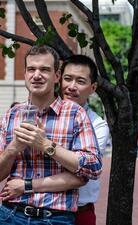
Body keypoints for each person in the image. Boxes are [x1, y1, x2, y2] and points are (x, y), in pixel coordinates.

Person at [0, 45, 102, 225]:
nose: (37, 75)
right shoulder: (11, 115)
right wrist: (12, 149)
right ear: (25, 74)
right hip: (11, 214)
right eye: (31, 69)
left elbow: (93, 168)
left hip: (56, 218)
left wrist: (45, 144)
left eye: (45, 70)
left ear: (56, 76)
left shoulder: (75, 113)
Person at [60, 55, 109, 225]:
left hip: (79, 214)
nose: (72, 87)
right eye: (67, 79)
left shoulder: (98, 125)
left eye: (80, 81)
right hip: (42, 212)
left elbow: (82, 170)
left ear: (93, 87)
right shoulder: (44, 114)